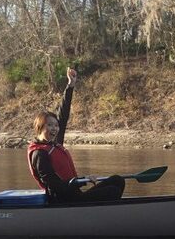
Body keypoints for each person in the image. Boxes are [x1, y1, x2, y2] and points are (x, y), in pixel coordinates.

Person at [28, 68, 125, 203]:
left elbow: (63, 114)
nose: (54, 128)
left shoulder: (54, 143)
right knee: (112, 191)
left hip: (75, 195)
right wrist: (82, 181)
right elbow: (55, 186)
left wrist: (70, 86)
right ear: (40, 127)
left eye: (55, 126)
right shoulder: (39, 154)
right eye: (49, 125)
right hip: (63, 200)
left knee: (117, 180)